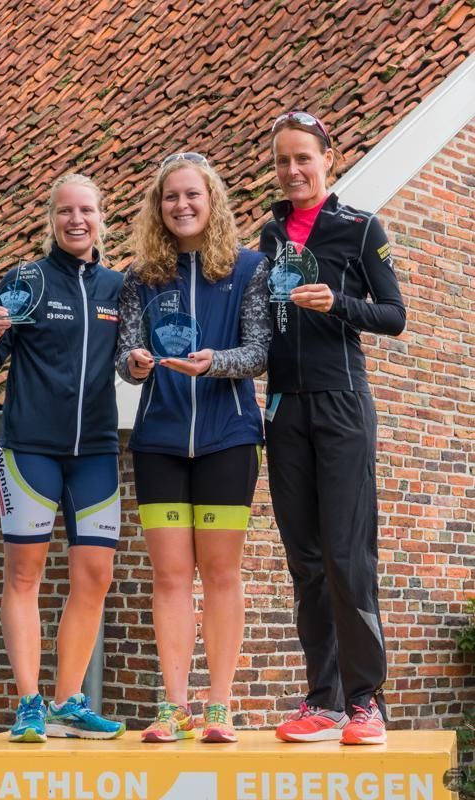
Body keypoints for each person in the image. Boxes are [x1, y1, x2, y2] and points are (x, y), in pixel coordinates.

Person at [260, 111, 406, 746]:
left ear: (328, 159)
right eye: (283, 161)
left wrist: (339, 304)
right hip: (283, 409)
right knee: (306, 561)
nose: (293, 170)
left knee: (348, 556)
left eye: (304, 158)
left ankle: (365, 701)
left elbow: (394, 314)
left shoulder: (361, 227)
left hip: (343, 404)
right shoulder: (268, 237)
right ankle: (323, 701)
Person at [116, 152, 271, 743]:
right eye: (170, 197)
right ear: (158, 207)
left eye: (192, 195)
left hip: (228, 438)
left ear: (212, 201)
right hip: (159, 440)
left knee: (222, 573)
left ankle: (219, 706)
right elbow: (126, 359)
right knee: (171, 576)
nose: (181, 205)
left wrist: (214, 363)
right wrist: (134, 364)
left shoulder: (249, 268)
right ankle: (175, 706)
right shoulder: (140, 278)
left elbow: (259, 352)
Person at [0, 173, 125, 743]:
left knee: (96, 576)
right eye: (65, 211)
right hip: (30, 449)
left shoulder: (119, 288)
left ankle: (67, 703)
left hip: (96, 451)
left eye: (86, 210)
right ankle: (29, 703)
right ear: (51, 219)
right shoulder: (26, 280)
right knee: (24, 573)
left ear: (101, 218)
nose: (76, 220)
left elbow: (134, 356)